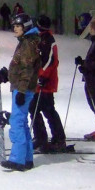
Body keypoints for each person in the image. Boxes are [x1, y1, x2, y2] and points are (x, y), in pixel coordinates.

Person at [0, 13, 40, 171]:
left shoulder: (27, 44)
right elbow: (20, 68)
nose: (15, 28)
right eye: (14, 26)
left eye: (18, 26)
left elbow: (27, 70)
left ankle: (17, 159)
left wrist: (20, 91)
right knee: (22, 123)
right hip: (23, 87)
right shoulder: (27, 42)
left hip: (23, 89)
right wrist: (7, 75)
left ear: (25, 27)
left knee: (17, 123)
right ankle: (27, 158)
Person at [30, 14, 66, 152]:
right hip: (38, 81)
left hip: (46, 83)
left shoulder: (48, 40)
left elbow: (51, 61)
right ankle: (40, 137)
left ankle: (58, 138)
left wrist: (42, 76)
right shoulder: (39, 38)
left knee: (47, 109)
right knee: (34, 109)